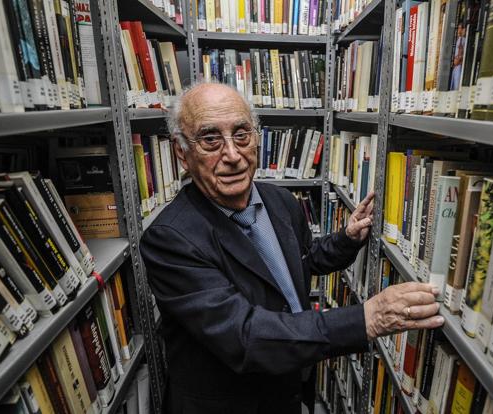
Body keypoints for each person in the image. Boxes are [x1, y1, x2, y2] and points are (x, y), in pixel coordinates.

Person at [140, 82, 444, 413]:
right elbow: (243, 335)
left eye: (241, 134)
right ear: (182, 153)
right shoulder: (169, 239)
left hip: (288, 388)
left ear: (256, 137)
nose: (232, 155)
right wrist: (365, 318)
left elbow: (300, 262)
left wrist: (347, 238)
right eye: (210, 139)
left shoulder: (280, 201)